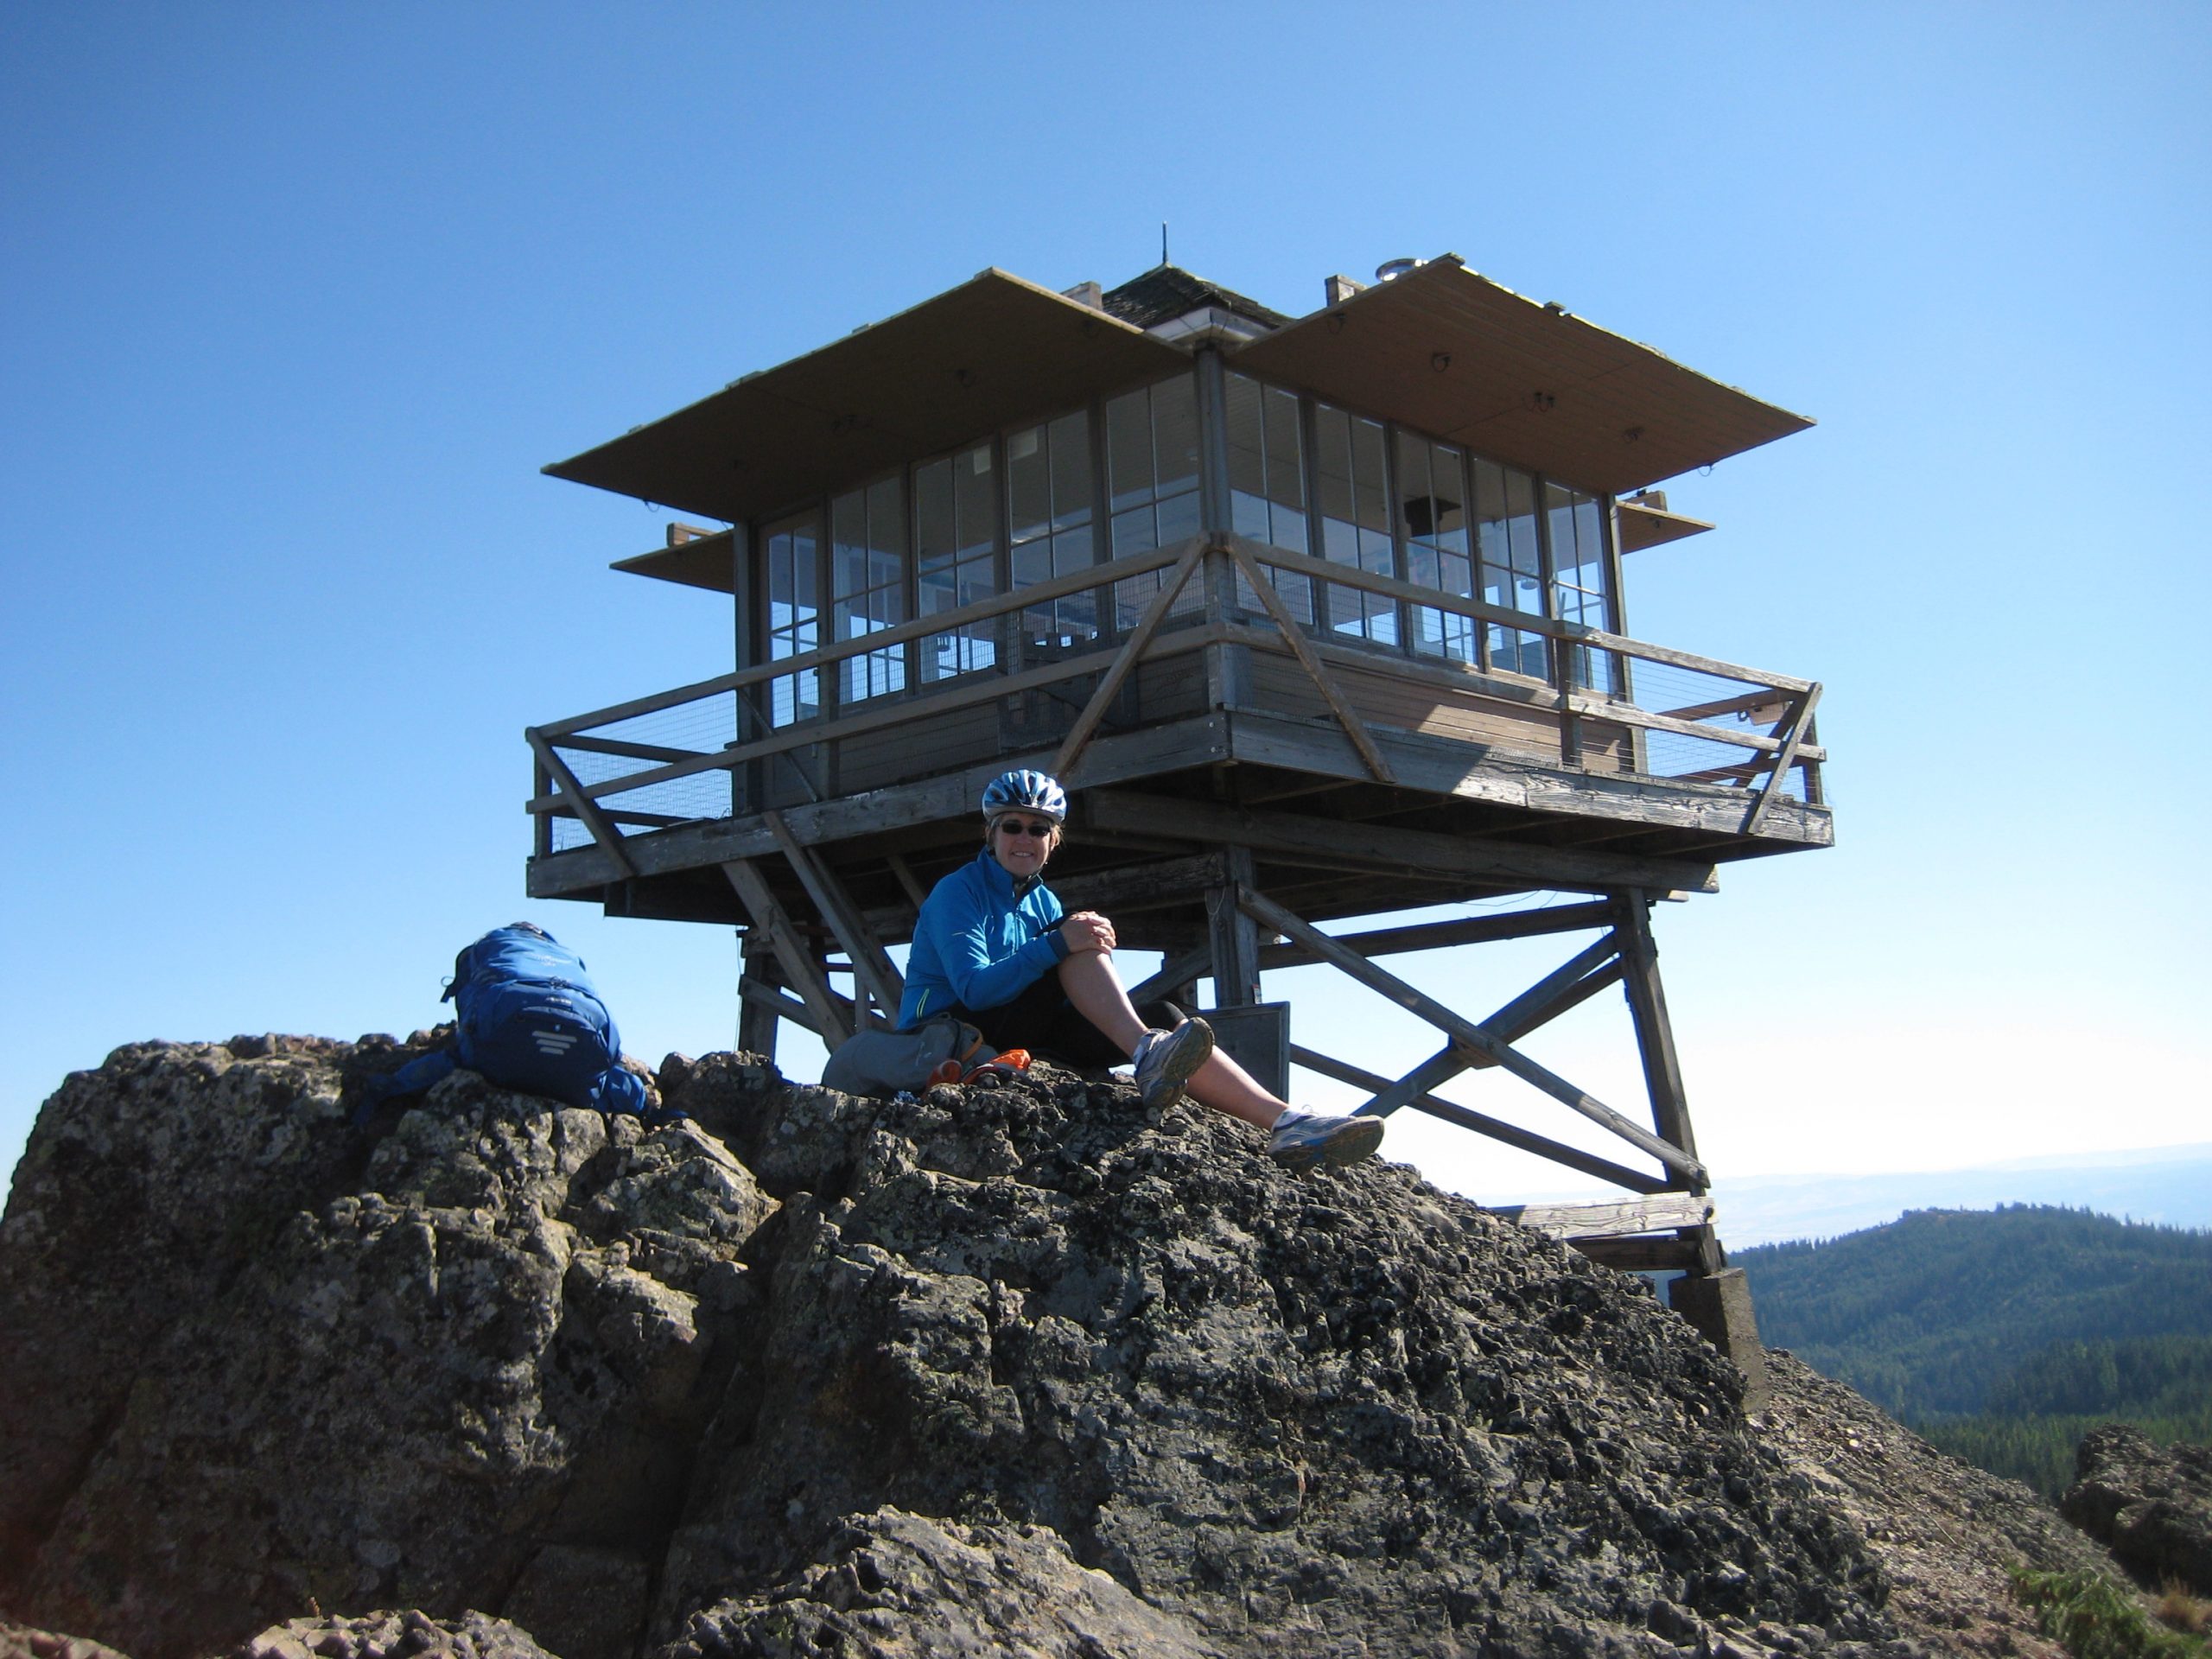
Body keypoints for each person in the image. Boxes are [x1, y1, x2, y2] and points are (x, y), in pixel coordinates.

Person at [899, 768, 1385, 1172]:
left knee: (1167, 1015)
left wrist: (1069, 945)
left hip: (1016, 1025)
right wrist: (1062, 943)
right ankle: (1147, 1051)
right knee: (1074, 935)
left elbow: (1047, 979)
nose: (1025, 838)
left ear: (1054, 839)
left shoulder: (1042, 899)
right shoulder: (956, 892)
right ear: (991, 833)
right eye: (1013, 826)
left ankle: (1285, 1123)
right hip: (953, 1031)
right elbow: (975, 989)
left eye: (1039, 828)